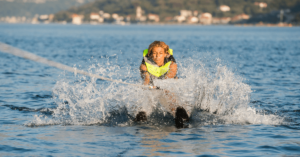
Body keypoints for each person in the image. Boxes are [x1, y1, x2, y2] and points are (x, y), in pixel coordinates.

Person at [136, 41, 189, 127]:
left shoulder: (172, 63)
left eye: (160, 53)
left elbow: (170, 76)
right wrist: (146, 85)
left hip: (168, 83)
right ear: (150, 54)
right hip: (152, 84)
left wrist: (162, 85)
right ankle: (143, 113)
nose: (157, 56)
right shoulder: (144, 64)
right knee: (149, 94)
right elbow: (146, 78)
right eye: (154, 53)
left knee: (168, 93)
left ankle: (177, 113)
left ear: (165, 54)